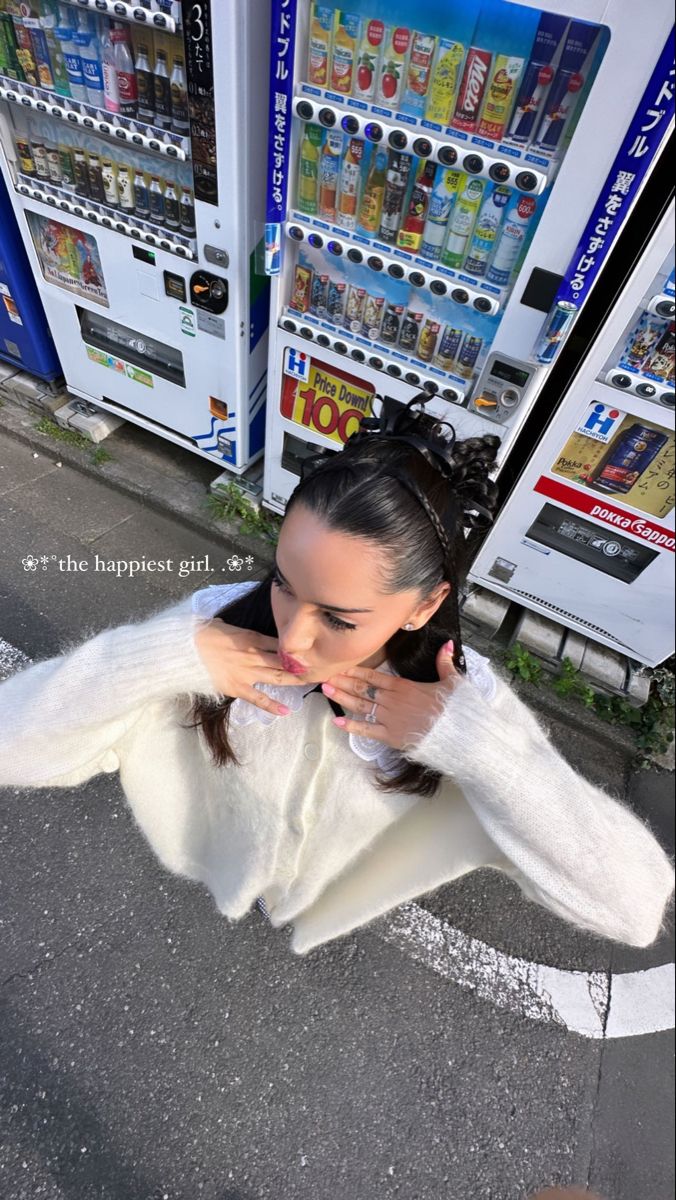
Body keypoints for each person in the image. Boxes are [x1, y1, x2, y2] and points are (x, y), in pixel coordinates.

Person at [0, 398, 673, 955]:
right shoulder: (216, 632)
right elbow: (12, 741)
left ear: (425, 605)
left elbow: (633, 906)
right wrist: (167, 655)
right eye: (284, 583)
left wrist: (477, 748)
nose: (291, 637)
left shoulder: (457, 708)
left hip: (326, 894)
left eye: (338, 618)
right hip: (222, 863)